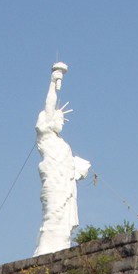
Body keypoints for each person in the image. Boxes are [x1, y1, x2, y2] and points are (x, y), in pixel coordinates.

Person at [33, 62, 91, 257]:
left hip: (66, 187)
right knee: (52, 214)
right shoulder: (46, 138)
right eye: (58, 120)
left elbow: (72, 168)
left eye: (62, 121)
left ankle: (60, 248)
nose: (61, 123)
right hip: (53, 184)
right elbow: (49, 106)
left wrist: (79, 169)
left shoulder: (64, 146)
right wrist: (55, 81)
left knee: (64, 220)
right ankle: (45, 249)